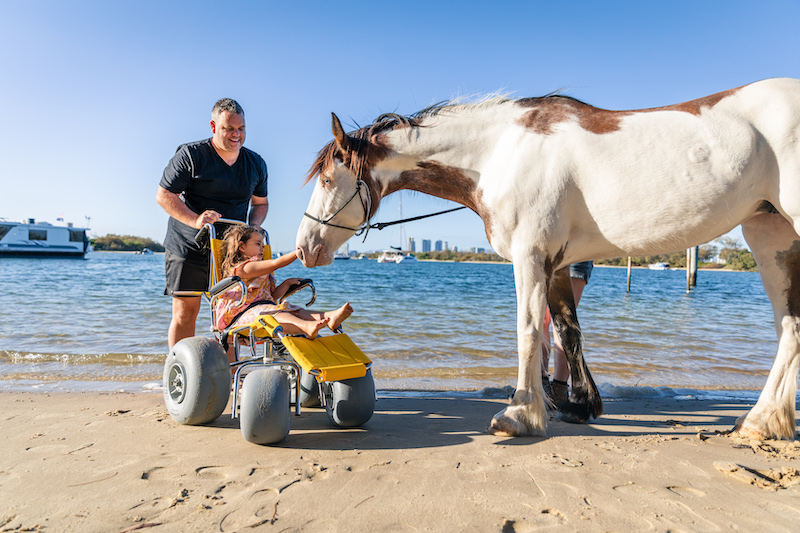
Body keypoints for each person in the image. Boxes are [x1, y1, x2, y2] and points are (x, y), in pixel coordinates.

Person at [157, 98, 268, 349]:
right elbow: (164, 195)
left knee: (230, 314)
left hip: (231, 250)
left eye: (241, 129)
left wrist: (255, 225)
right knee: (186, 312)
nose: (236, 135)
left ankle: (225, 379)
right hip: (188, 245)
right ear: (213, 126)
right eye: (229, 128)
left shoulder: (256, 163)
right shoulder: (191, 155)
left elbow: (260, 203)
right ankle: (180, 372)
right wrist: (195, 220)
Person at [215, 225, 353, 346]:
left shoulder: (261, 271)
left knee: (292, 310)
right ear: (242, 246)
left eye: (263, 245)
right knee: (273, 313)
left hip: (262, 309)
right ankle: (305, 326)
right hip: (239, 316)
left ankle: (328, 317)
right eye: (258, 244)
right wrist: (298, 252)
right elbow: (276, 263)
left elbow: (272, 297)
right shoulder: (242, 269)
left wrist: (286, 284)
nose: (262, 249)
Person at [541, 261, 593, 407]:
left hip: (574, 254)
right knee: (549, 320)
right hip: (567, 254)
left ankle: (554, 387)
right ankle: (549, 386)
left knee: (556, 321)